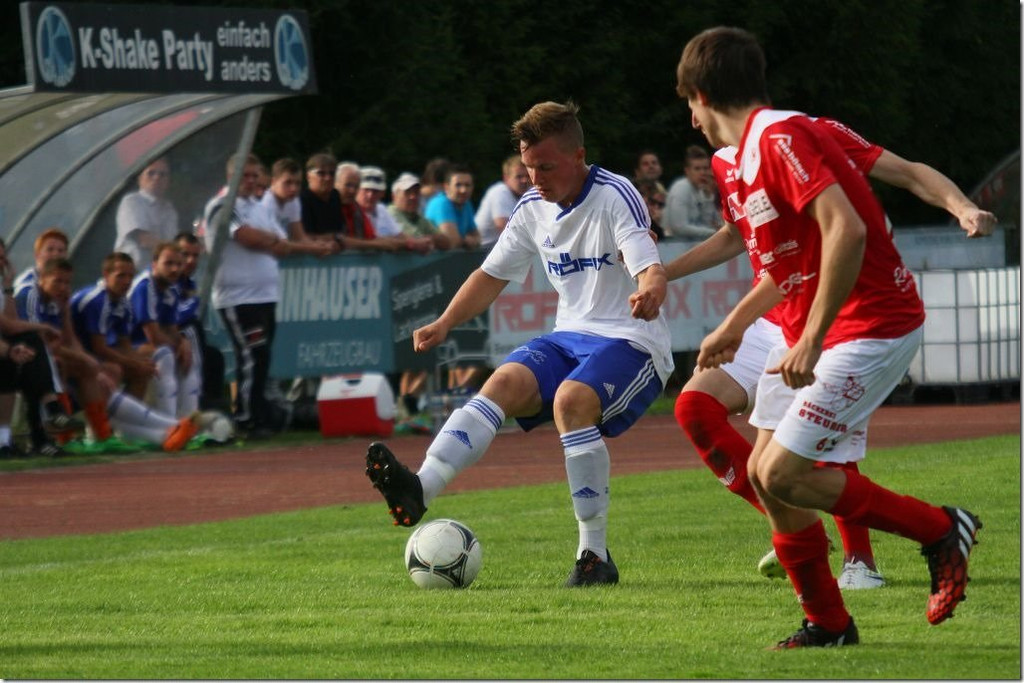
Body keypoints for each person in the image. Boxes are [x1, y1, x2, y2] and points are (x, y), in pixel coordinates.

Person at [676, 26, 982, 648]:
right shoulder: (736, 160)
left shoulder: (782, 136)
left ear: (701, 95)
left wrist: (812, 339)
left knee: (784, 472)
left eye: (688, 103)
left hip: (871, 324)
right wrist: (734, 326)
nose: (690, 119)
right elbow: (785, 264)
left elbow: (847, 230)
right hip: (810, 328)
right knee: (767, 477)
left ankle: (939, 529)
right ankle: (829, 623)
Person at [365, 100, 673, 588]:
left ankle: (593, 556)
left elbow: (647, 261)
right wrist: (444, 322)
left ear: (578, 156)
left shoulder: (616, 194)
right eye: (529, 167)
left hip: (631, 339)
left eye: (545, 167)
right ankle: (420, 487)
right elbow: (491, 274)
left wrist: (651, 287)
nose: (535, 178)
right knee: (502, 382)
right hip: (569, 335)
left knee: (571, 401)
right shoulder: (531, 207)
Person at [15, 257, 199, 454]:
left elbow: (118, 344)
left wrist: (139, 364)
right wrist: (94, 362)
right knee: (101, 369)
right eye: (121, 276)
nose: (126, 281)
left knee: (136, 369)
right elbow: (96, 347)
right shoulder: (95, 299)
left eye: (129, 276)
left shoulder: (117, 302)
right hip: (54, 361)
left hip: (82, 359)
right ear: (106, 275)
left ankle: (135, 433)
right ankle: (168, 427)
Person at [204, 153, 313, 438]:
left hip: (265, 295)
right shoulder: (221, 205)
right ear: (232, 176)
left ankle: (260, 412)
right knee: (253, 355)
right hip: (237, 297)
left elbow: (282, 244)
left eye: (255, 176)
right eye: (246, 175)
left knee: (261, 358)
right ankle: (247, 417)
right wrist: (269, 240)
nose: (251, 181)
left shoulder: (257, 206)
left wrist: (270, 240)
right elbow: (246, 237)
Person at [0, 236, 82, 457]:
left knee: (31, 354)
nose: (1, 262)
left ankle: (32, 439)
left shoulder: (4, 288)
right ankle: (51, 417)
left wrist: (7, 287)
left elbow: (9, 323)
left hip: (6, 349)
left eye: (2, 257)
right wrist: (41, 329)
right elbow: (10, 328)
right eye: (50, 249)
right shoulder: (29, 291)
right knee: (34, 346)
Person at [128, 243, 199, 418]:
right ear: (154, 264)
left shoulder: (171, 288)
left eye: (179, 264)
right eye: (168, 263)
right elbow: (153, 336)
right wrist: (178, 346)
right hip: (125, 345)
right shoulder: (145, 286)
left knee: (189, 358)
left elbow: (171, 329)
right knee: (165, 355)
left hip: (145, 344)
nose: (174, 269)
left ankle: (189, 421)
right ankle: (168, 424)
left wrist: (183, 343)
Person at [174, 231, 227, 413]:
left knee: (214, 356)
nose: (190, 261)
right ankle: (194, 409)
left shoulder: (189, 283)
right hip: (160, 340)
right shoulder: (164, 281)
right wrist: (179, 340)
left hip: (179, 338)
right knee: (192, 328)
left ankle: (212, 410)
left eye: (195, 256)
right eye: (185, 254)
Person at [114, 158, 180, 268]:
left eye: (162, 174)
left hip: (156, 271)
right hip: (130, 271)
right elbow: (144, 240)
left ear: (168, 181)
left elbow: (172, 241)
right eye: (151, 173)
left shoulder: (169, 209)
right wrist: (177, 252)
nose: (157, 177)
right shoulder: (132, 202)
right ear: (140, 178)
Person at [357, 166, 432, 252]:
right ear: (357, 190)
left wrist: (416, 242)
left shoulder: (381, 209)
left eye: (375, 191)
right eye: (366, 190)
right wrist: (411, 243)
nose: (370, 195)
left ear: (382, 193)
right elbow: (369, 240)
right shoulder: (351, 210)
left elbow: (400, 236)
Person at [662, 145, 721, 238]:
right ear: (687, 171)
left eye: (705, 168)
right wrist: (716, 233)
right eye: (697, 169)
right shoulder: (681, 188)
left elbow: (709, 222)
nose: (702, 173)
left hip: (694, 242)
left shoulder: (703, 190)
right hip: (673, 243)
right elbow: (679, 228)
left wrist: (708, 197)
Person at [474, 155, 532, 248]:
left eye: (528, 176)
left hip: (503, 248)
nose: (525, 180)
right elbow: (506, 230)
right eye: (519, 177)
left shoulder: (529, 193)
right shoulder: (500, 191)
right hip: (482, 250)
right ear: (506, 178)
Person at [388, 173, 452, 252]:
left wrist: (427, 239)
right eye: (407, 192)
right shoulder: (391, 213)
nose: (413, 197)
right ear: (394, 196)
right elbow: (415, 237)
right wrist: (429, 239)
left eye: (416, 192)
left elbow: (446, 243)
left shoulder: (418, 217)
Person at [424, 164, 480, 250]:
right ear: (446, 187)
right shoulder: (441, 203)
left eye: (467, 185)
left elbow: (478, 238)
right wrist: (467, 240)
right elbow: (452, 242)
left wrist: (471, 241)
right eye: (458, 185)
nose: (463, 190)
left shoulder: (466, 204)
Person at [13, 227, 68, 292]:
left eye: (60, 251)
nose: (55, 254)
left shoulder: (63, 285)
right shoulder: (28, 288)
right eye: (50, 250)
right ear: (37, 255)